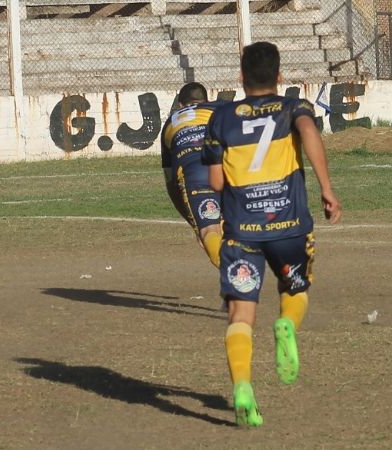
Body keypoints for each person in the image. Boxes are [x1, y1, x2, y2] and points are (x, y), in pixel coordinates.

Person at [202, 41, 342, 427]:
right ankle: (287, 325)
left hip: (241, 231)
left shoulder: (221, 118)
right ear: (280, 76)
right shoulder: (294, 107)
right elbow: (309, 130)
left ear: (241, 76)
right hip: (289, 227)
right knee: (294, 290)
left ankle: (243, 387)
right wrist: (326, 188)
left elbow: (216, 182)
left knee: (240, 314)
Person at [161, 82, 225, 268]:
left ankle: (237, 276)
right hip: (227, 164)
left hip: (194, 171)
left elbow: (171, 183)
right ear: (207, 100)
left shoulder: (170, 122)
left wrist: (195, 223)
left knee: (209, 231)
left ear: (180, 105)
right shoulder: (219, 108)